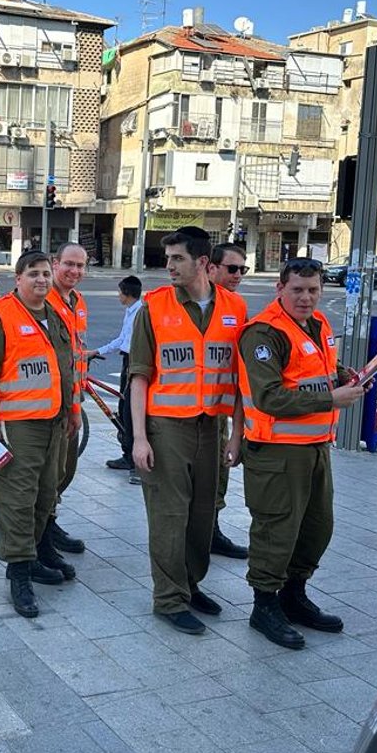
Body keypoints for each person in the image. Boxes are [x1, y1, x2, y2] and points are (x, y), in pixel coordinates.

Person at [238, 258, 368, 649]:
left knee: (316, 528)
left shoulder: (317, 324)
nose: (306, 297)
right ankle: (264, 606)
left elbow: (313, 367)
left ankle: (293, 596)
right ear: (280, 288)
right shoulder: (264, 333)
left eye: (313, 290)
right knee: (276, 530)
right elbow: (269, 396)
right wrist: (333, 397)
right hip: (277, 451)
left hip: (314, 447)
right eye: (297, 289)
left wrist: (341, 374)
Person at [129, 226, 244, 636]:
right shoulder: (153, 308)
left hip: (212, 426)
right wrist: (139, 438)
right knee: (168, 515)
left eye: (177, 259)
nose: (169, 266)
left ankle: (190, 585)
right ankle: (169, 598)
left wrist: (236, 435)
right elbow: (138, 377)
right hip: (166, 428)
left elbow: (239, 379)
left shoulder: (234, 308)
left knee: (202, 514)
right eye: (168, 258)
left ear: (203, 264)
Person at [0, 250, 76, 617]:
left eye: (46, 273)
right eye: (33, 273)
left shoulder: (56, 315)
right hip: (16, 427)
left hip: (54, 423)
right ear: (18, 278)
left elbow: (66, 367)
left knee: (47, 494)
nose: (42, 280)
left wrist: (72, 411)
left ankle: (37, 556)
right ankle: (19, 576)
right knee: (19, 501)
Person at [207, 243, 252, 560]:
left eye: (242, 269)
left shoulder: (236, 306)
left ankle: (212, 531)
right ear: (211, 267)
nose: (238, 275)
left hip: (222, 411)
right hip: (184, 412)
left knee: (219, 473)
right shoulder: (192, 303)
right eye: (232, 268)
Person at [44, 242, 88, 555]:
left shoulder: (77, 301)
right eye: (68, 264)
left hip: (72, 399)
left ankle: (49, 519)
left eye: (80, 266)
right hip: (49, 403)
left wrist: (76, 402)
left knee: (65, 468)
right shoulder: (42, 301)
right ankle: (43, 528)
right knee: (50, 470)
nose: (74, 271)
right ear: (55, 263)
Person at [86, 275, 143, 479]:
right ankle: (127, 455)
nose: (118, 295)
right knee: (122, 408)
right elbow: (121, 339)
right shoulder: (130, 311)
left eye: (120, 292)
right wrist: (96, 351)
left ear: (127, 294)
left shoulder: (140, 313)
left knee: (130, 411)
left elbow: (131, 342)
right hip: (126, 360)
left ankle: (137, 464)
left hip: (134, 362)